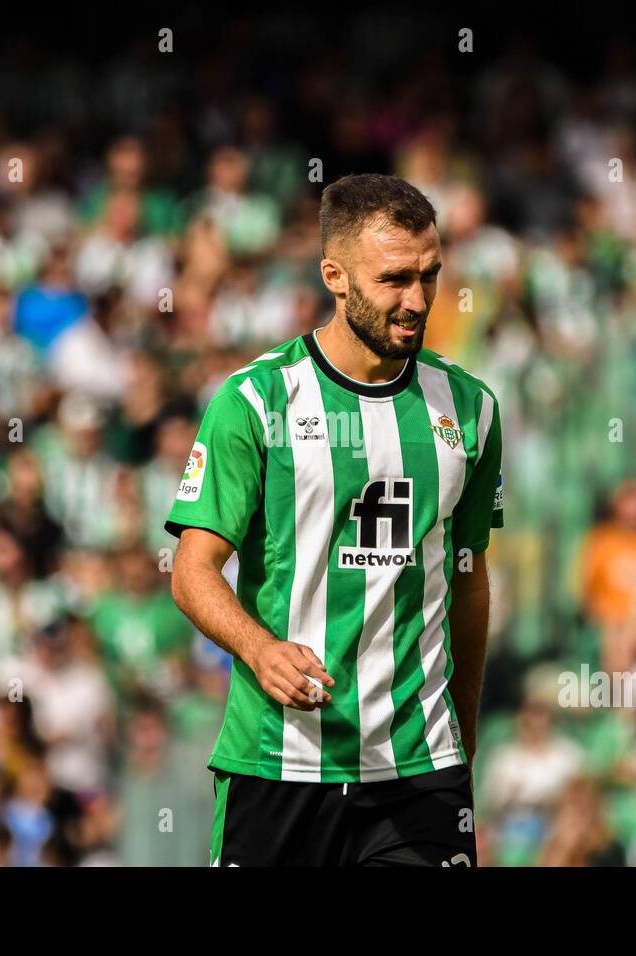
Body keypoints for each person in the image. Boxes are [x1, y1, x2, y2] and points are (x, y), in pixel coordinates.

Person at [167, 174, 504, 866]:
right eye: (394, 280)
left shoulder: (470, 410)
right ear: (335, 276)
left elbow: (468, 579)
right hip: (279, 763)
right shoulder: (256, 400)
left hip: (419, 772)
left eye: (430, 275)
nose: (417, 300)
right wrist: (259, 649)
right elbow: (191, 571)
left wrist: (460, 735)